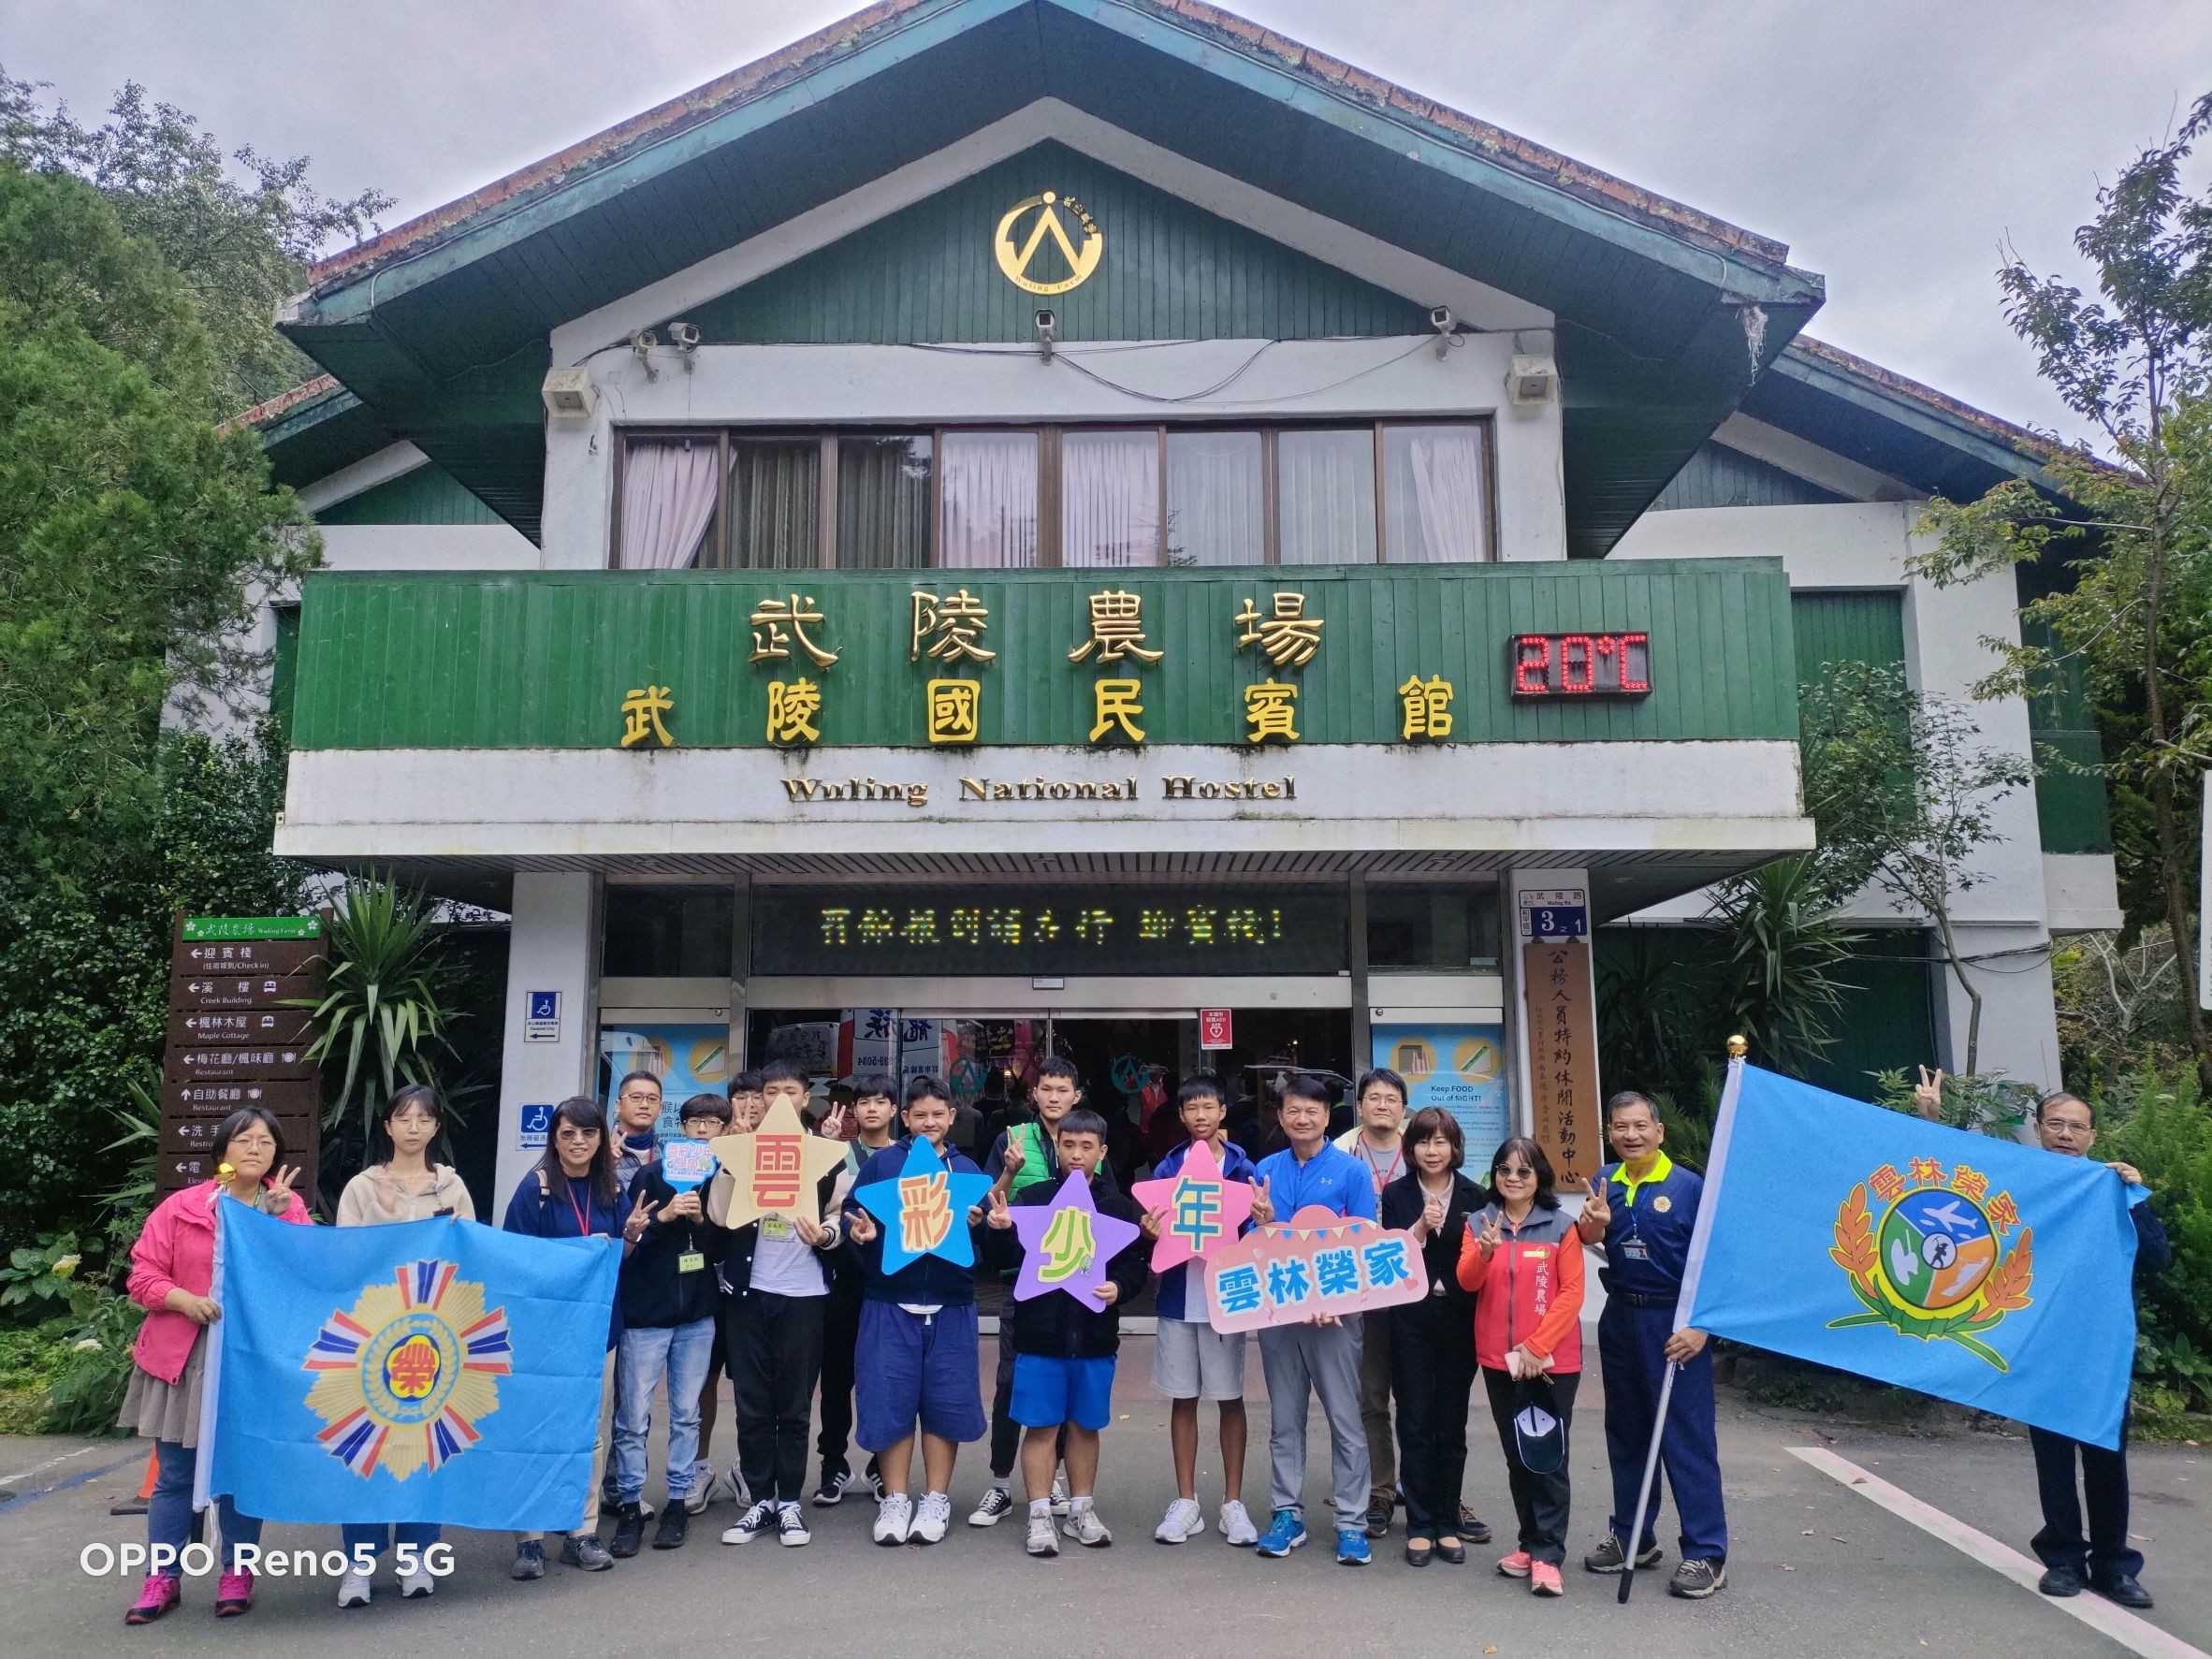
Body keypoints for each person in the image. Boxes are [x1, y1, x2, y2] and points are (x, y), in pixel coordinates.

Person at [120, 1109, 312, 1624]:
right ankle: (162, 1578)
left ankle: (237, 1572)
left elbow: (304, 1277)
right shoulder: (182, 1207)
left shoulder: (285, 1207)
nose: (255, 1148)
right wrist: (182, 1298)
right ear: (222, 1150)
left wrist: (279, 1220)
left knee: (242, 1472)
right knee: (175, 1476)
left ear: (277, 1154)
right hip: (183, 1356)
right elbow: (142, 1276)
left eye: (266, 1142)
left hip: (250, 1360)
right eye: (244, 1140)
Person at [1573, 1090, 1726, 1598]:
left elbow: (1718, 1261)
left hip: (1676, 1324)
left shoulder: (1688, 1187)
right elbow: (1587, 1239)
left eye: (1640, 1126)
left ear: (1659, 1131)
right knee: (1628, 1432)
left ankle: (1706, 1552)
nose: (1630, 1135)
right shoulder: (1604, 1182)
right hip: (1622, 1319)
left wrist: (1702, 1326)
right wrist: (1588, 1227)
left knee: (1686, 1437)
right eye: (1620, 1127)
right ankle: (1632, 1535)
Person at [2021, 1089, 2168, 1608]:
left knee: (2106, 1457)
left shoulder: (2112, 1188)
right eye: (2055, 1124)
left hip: (2100, 1348)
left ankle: (2113, 1566)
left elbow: (2158, 1258)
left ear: (2092, 1136)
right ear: (2038, 1128)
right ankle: (2063, 1561)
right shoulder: (2020, 1181)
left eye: (2076, 1127)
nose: (2065, 1134)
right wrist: (1930, 1120)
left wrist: (2138, 1197)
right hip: (2041, 1343)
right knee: (2054, 1458)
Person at [984, 1108, 1151, 1555]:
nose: (1077, 1155)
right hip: (1040, 1335)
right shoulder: (1034, 1198)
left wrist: (1120, 1288)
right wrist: (1000, 1229)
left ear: (1103, 1151)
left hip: (1095, 1337)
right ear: (1057, 1148)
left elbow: (1135, 1265)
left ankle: (1081, 1508)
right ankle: (1040, 1514)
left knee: (1085, 1426)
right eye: (1068, 1145)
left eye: (1087, 1146)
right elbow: (1000, 1256)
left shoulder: (1117, 1207)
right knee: (1040, 1427)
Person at [333, 1084, 475, 1608]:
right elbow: (347, 1258)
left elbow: (469, 1255)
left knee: (424, 1445)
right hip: (371, 1337)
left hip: (433, 1338)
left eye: (424, 1119)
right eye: (403, 1118)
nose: (413, 1128)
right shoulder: (361, 1188)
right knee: (366, 1448)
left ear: (436, 1128)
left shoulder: (452, 1188)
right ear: (388, 1126)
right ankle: (358, 1565)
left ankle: (418, 1555)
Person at [841, 1075, 989, 1546]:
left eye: (938, 1114)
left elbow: (983, 1244)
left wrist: (980, 1226)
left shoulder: (967, 1170)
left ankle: (936, 1498)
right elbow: (853, 1214)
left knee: (945, 1403)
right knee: (890, 1401)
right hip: (889, 1301)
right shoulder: (884, 1164)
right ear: (905, 1118)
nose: (929, 1122)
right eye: (919, 1114)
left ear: (951, 1118)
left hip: (951, 1303)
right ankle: (897, 1498)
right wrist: (859, 1237)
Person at [502, 1097, 645, 1579]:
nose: (578, 1142)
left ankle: (581, 1531)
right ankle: (530, 1538)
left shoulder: (611, 1189)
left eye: (587, 1133)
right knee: (536, 1428)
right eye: (568, 1134)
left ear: (601, 1139)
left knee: (590, 1432)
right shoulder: (536, 1188)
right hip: (544, 1333)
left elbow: (617, 1262)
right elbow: (515, 1262)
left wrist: (630, 1237)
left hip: (598, 1329)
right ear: (555, 1139)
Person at [1251, 1072, 1377, 1566]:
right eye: (1293, 1111)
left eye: (1312, 1111)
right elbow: (1251, 1248)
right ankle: (1287, 1513)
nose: (1302, 1119)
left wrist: (1339, 1301)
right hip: (1279, 1312)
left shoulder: (1351, 1173)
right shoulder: (1264, 1168)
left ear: (1328, 1116)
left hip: (1335, 1317)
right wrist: (1259, 1222)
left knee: (1346, 1420)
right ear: (1280, 1117)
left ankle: (1351, 1521)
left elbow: (1365, 1243)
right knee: (1284, 1421)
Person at [717, 1059, 842, 1548]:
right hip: (749, 1294)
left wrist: (826, 1236)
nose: (778, 1099)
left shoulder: (824, 1153)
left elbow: (841, 1214)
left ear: (804, 1099)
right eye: (770, 1091)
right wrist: (733, 1157)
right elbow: (720, 1216)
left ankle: (789, 1500)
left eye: (790, 1091)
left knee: (793, 1405)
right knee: (751, 1403)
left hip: (804, 1296)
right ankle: (759, 1500)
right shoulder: (741, 1151)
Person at [971, 1055, 1096, 1526]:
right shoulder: (1010, 1139)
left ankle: (1053, 1478)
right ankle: (1001, 1483)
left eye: (1063, 1090)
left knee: (1064, 1384)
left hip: (1074, 1282)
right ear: (1034, 1095)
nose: (1054, 1097)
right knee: (1010, 1382)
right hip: (1021, 1283)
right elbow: (985, 1207)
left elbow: (1105, 1213)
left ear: (1076, 1096)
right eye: (1046, 1089)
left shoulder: (1091, 1141)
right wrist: (1008, 1172)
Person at [1459, 1135, 1583, 1597]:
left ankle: (1550, 1555)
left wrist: (1537, 1345)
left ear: (1539, 1178)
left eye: (1524, 1172)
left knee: (1547, 1457)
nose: (1513, 1179)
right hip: (1498, 1361)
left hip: (1551, 1362)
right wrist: (1485, 1251)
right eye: (1505, 1170)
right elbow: (1466, 1281)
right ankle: (1530, 1545)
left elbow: (1571, 1293)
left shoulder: (1560, 1226)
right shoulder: (1479, 1222)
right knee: (1517, 1456)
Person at [604, 1092, 727, 1556]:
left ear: (723, 1130)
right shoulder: (650, 1174)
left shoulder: (724, 1180)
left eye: (713, 1123)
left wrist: (705, 1223)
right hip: (646, 1317)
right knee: (633, 1416)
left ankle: (677, 1500)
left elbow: (725, 1249)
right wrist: (663, 1217)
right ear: (682, 1125)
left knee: (686, 1413)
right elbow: (630, 1241)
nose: (702, 1130)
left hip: (698, 1316)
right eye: (695, 1121)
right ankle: (631, 1504)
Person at [1142, 1071, 1261, 1547]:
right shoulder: (1166, 1169)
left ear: (1222, 1112)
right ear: (1181, 1116)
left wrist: (1259, 1226)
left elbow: (1257, 1229)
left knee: (1230, 1397)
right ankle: (1186, 1500)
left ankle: (1233, 1503)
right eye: (1192, 1109)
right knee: (1183, 1397)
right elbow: (1151, 1226)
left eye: (1208, 1107)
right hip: (1177, 1297)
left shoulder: (1243, 1168)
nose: (1200, 1116)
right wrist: (1149, 1232)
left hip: (1225, 1298)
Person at [1379, 1107, 1485, 1566]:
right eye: (1424, 1141)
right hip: (1410, 1321)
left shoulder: (1477, 1196)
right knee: (1415, 1420)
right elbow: (1388, 1256)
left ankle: (1447, 1520)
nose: (1433, 1150)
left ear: (1455, 1147)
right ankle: (1419, 1524)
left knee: (1452, 1423)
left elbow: (1484, 1260)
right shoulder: (1396, 1194)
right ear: (1411, 1148)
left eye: (1441, 1142)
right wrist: (1419, 1228)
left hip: (1459, 1321)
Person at [816, 1072, 900, 1506]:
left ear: (893, 1110)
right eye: (863, 1102)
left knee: (880, 1380)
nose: (870, 1109)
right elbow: (815, 1201)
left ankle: (880, 1468)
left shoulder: (907, 1157)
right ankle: (833, 1464)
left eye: (879, 1102)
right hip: (841, 1281)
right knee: (836, 1380)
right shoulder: (839, 1153)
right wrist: (826, 1147)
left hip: (887, 1282)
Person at [1334, 1067, 1409, 1536]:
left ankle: (1434, 1492)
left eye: (1391, 1098)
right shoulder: (1341, 1152)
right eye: (1373, 1098)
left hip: (1415, 1288)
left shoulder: (1422, 1147)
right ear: (1360, 1106)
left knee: (1423, 1399)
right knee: (1371, 1398)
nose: (1382, 1105)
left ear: (1404, 1106)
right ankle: (1381, 1491)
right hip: (1360, 1290)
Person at [691, 1070, 764, 1510]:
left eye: (758, 1098)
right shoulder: (698, 1156)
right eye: (741, 1098)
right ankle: (698, 1467)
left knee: (752, 1383)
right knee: (703, 1378)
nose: (749, 1106)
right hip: (701, 1284)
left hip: (756, 1286)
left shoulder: (783, 1152)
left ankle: (747, 1466)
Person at [601, 1069, 664, 1515]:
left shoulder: (674, 1155)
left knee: (634, 1398)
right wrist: (603, 1164)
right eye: (634, 1097)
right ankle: (599, 1486)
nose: (643, 1104)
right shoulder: (597, 1154)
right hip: (608, 1285)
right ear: (619, 1104)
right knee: (603, 1396)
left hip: (654, 1286)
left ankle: (622, 1487)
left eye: (652, 1099)